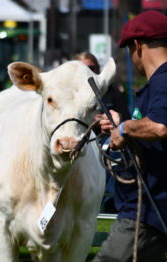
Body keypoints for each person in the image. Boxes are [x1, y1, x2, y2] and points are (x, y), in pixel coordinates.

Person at [93, 10, 167, 262]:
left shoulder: (163, 80)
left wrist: (124, 129)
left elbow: (159, 126)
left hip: (148, 213)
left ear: (138, 45)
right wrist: (122, 124)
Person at [74, 51, 131, 213]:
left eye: (92, 67)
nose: (88, 71)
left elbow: (126, 120)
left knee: (114, 150)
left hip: (107, 140)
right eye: (84, 68)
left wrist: (114, 121)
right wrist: (93, 121)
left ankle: (110, 202)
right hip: (81, 141)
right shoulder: (71, 94)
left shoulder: (111, 91)